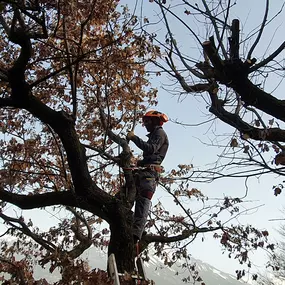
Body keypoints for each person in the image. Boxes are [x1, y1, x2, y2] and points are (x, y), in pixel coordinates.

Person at [126, 110, 169, 242]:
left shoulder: (160, 133)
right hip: (144, 172)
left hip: (149, 175)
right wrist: (137, 162)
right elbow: (150, 156)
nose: (145, 124)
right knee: (126, 197)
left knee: (143, 202)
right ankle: (125, 222)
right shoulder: (154, 135)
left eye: (147, 121)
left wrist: (134, 138)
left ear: (155, 121)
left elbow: (150, 148)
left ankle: (135, 235)